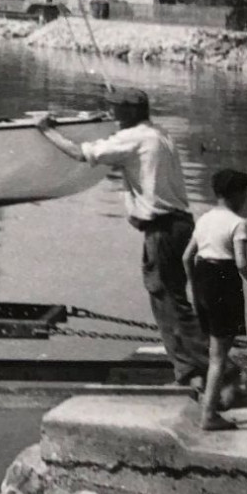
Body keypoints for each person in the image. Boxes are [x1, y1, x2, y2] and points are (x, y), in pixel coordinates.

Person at [32, 89, 211, 388]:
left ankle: (218, 368)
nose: (112, 113)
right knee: (166, 300)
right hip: (178, 226)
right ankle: (190, 371)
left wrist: (46, 129)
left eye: (116, 109)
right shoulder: (158, 132)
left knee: (171, 302)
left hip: (164, 229)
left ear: (130, 112)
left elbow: (80, 154)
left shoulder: (134, 138)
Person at [183, 169, 247, 430]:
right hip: (224, 281)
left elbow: (187, 257)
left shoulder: (205, 218)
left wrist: (194, 287)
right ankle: (209, 415)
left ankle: (216, 396)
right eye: (243, 193)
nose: (245, 198)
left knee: (214, 349)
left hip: (202, 278)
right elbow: (242, 264)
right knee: (219, 354)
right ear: (235, 194)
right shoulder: (236, 223)